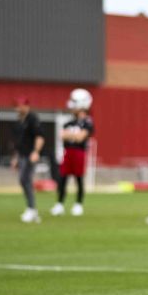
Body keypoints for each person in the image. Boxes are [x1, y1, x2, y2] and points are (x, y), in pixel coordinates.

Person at [52, 88, 94, 216]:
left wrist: (70, 135)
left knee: (79, 179)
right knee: (63, 179)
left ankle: (78, 204)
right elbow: (62, 135)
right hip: (67, 152)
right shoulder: (69, 122)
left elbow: (81, 137)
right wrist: (73, 135)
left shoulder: (87, 122)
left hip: (79, 153)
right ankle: (59, 204)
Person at [11, 97, 45, 224]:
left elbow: (40, 136)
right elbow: (18, 142)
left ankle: (31, 209)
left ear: (26, 106)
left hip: (30, 155)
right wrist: (15, 157)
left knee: (25, 179)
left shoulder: (32, 119)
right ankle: (32, 209)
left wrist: (36, 152)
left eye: (20, 106)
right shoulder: (19, 121)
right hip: (22, 155)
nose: (17, 108)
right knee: (23, 180)